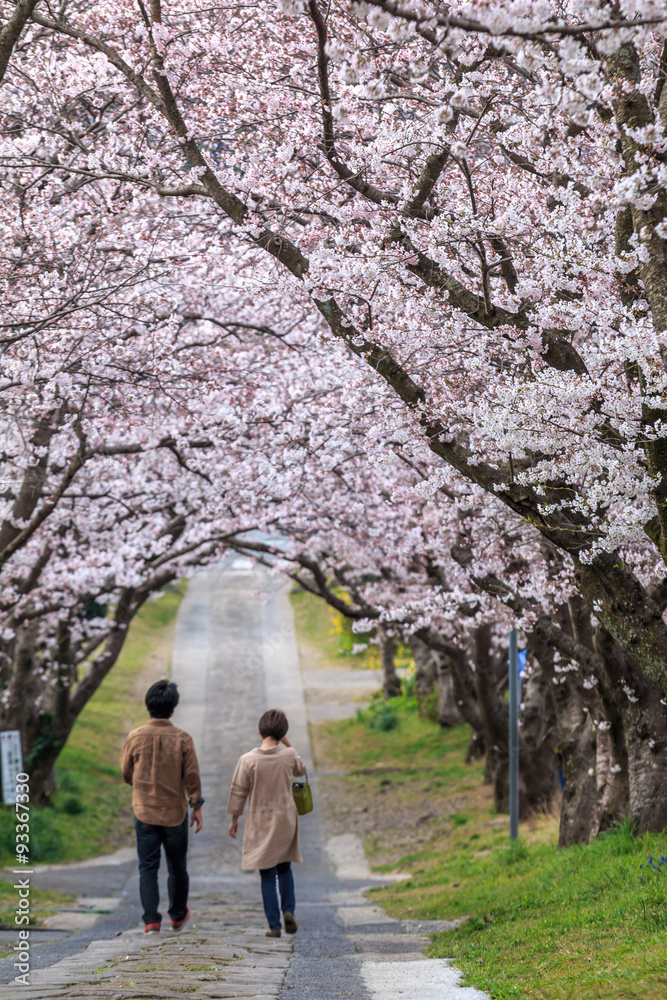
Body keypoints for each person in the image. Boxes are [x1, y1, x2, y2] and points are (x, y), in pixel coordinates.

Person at [120, 679, 204, 934]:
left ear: (149, 706)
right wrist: (196, 805)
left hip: (144, 811)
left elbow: (126, 772)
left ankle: (151, 920)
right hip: (174, 815)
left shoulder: (135, 737)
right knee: (178, 867)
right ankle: (177, 915)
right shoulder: (182, 738)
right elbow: (192, 777)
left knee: (148, 867)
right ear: (173, 707)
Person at [227, 708, 307, 937]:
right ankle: (288, 911)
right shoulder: (288, 756)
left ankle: (274, 925)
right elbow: (302, 769)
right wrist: (288, 744)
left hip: (260, 820)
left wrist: (235, 818)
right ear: (283, 734)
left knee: (267, 875)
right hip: (285, 819)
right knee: (285, 868)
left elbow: (238, 792)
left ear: (259, 732)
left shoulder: (248, 760)